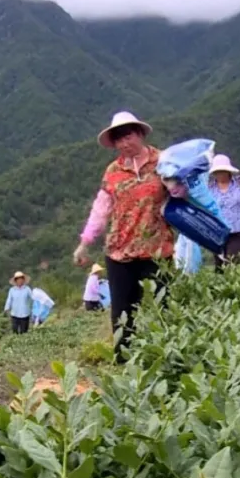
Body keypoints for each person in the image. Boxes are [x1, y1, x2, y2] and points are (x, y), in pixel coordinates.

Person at [72, 111, 175, 364]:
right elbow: (101, 209)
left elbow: (182, 194)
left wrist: (176, 188)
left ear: (140, 134)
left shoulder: (163, 162)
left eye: (128, 135)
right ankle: (125, 364)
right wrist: (84, 244)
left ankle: (169, 359)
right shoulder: (113, 171)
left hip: (158, 250)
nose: (124, 143)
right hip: (120, 252)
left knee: (165, 307)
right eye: (118, 139)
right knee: (122, 313)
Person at [207, 154, 240, 269]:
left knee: (233, 262)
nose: (220, 174)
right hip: (218, 233)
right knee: (220, 267)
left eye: (223, 171)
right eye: (218, 172)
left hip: (238, 231)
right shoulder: (209, 189)